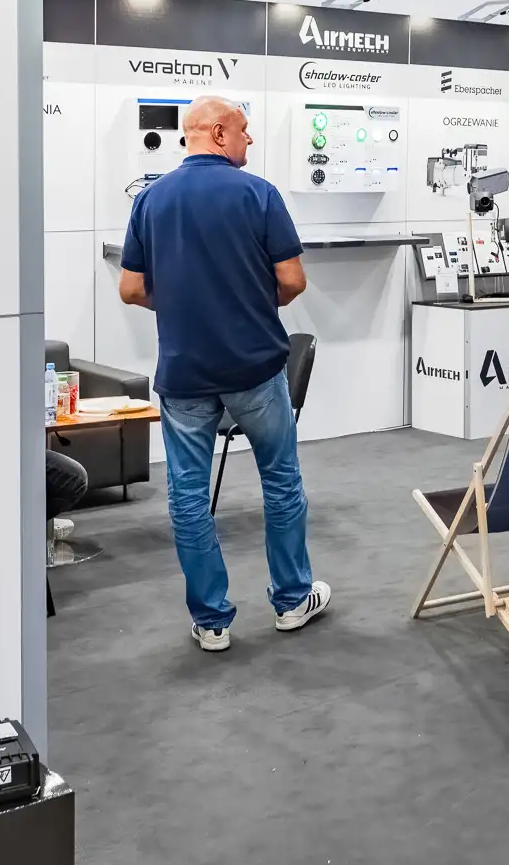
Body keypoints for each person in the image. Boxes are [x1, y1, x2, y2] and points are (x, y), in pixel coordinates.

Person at [117, 95, 329, 652]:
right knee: (280, 480)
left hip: (184, 373)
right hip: (254, 367)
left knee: (187, 496)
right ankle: (292, 600)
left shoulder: (150, 200)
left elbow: (131, 290)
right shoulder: (259, 194)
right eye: (243, 129)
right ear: (217, 133)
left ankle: (211, 620)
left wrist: (186, 304)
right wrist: (247, 302)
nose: (249, 139)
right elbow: (293, 281)